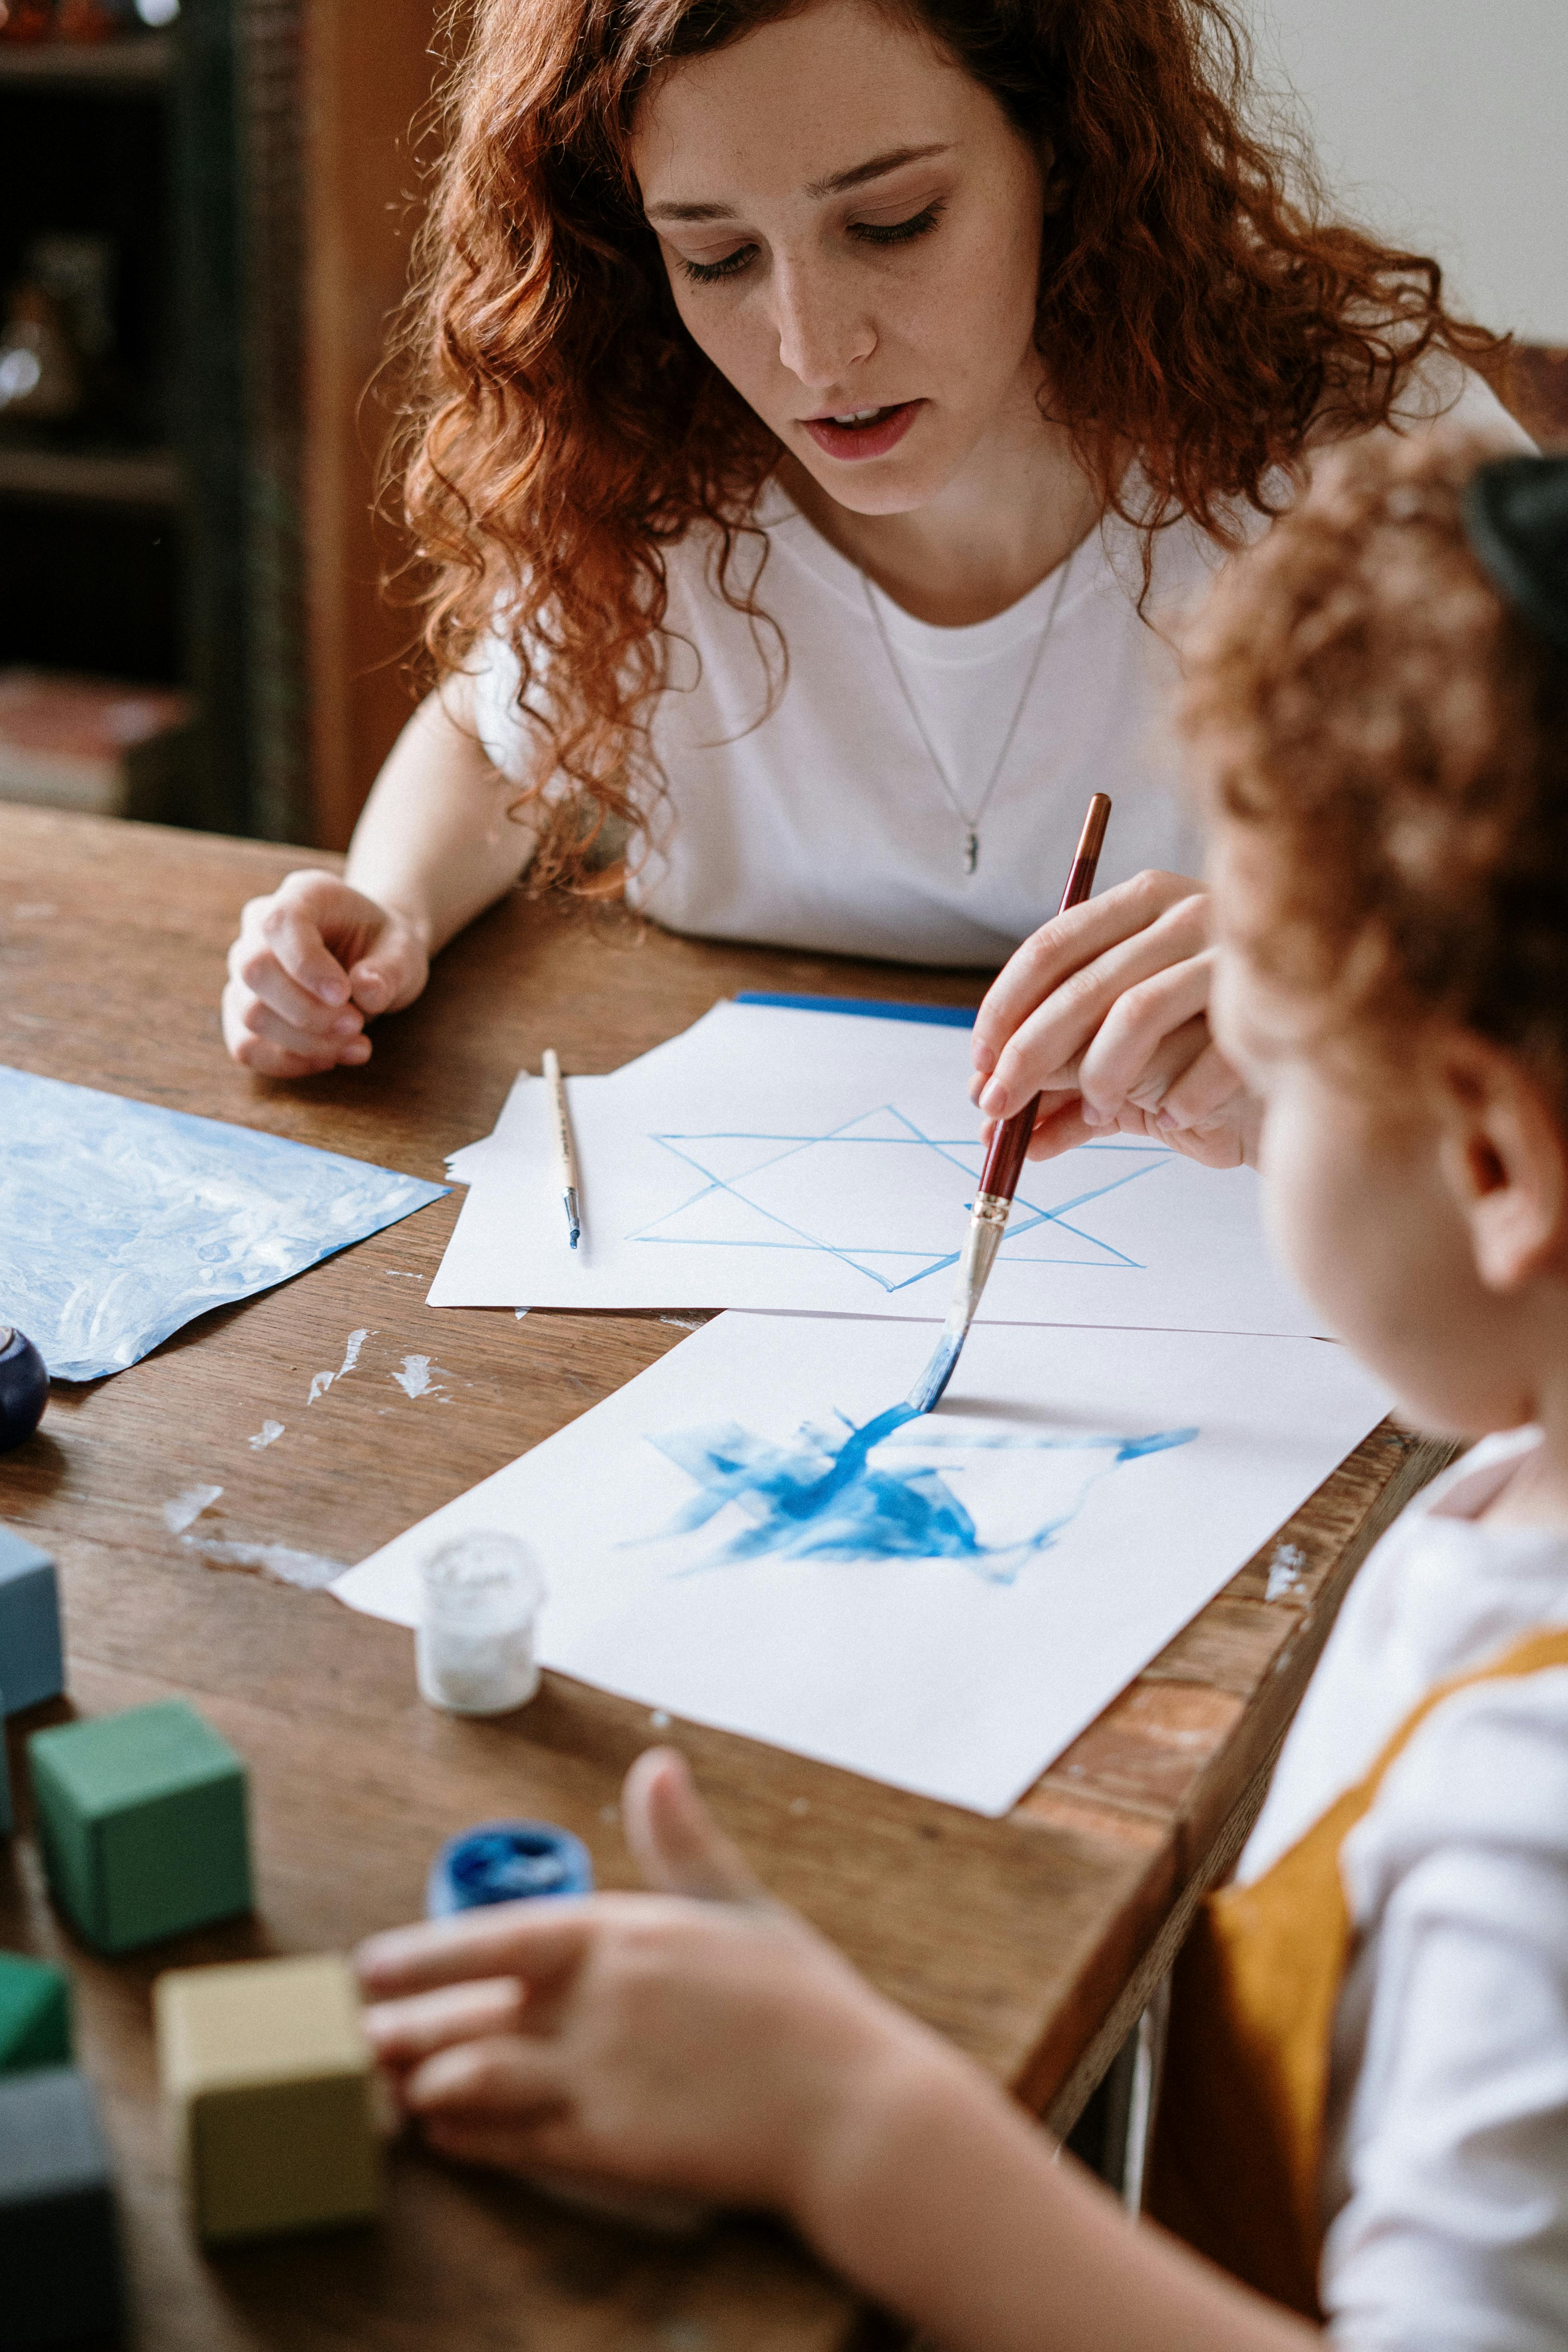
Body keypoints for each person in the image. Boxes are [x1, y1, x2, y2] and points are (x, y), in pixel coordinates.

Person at [354, 436, 1568, 2349]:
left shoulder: (1534, 1835)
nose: (1227, 1056)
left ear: (1497, 1161)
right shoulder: (1533, 1456)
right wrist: (1322, 1108)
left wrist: (854, 2120)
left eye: (1274, 1021)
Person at [222, 0, 1524, 1171]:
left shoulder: (1350, 469)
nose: (812, 349)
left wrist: (1342, 985)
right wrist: (386, 905)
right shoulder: (645, 482)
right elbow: (493, 734)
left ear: (1062, 153)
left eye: (890, 223)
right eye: (716, 257)